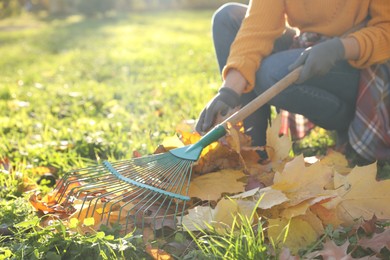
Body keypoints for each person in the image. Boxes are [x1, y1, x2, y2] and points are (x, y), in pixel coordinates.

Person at [195, 0, 390, 163]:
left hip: (362, 59)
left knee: (270, 73)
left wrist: (340, 48)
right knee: (228, 17)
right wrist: (229, 91)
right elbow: (257, 28)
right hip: (309, 43)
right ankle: (253, 149)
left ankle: (349, 121)